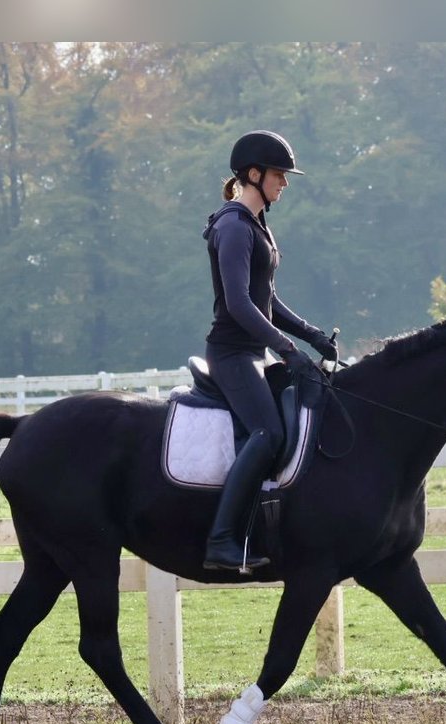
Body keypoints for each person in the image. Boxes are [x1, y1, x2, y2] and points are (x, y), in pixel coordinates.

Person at [200, 130, 337, 571]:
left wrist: (310, 335)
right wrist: (286, 349)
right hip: (232, 354)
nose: (285, 182)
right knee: (269, 433)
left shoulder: (257, 226)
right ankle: (221, 540)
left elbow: (267, 300)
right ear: (253, 174)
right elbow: (238, 303)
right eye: (279, 174)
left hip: (254, 353)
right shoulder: (233, 226)